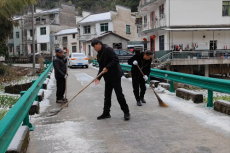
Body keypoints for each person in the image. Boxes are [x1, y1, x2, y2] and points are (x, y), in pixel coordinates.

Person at [91, 39, 130, 121]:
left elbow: (115, 60)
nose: (94, 49)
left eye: (95, 47)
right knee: (107, 95)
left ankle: (126, 112)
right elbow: (101, 68)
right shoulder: (99, 54)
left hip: (115, 76)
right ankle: (106, 113)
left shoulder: (108, 49)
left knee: (119, 94)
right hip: (107, 77)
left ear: (99, 44)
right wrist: (98, 78)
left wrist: (108, 67)